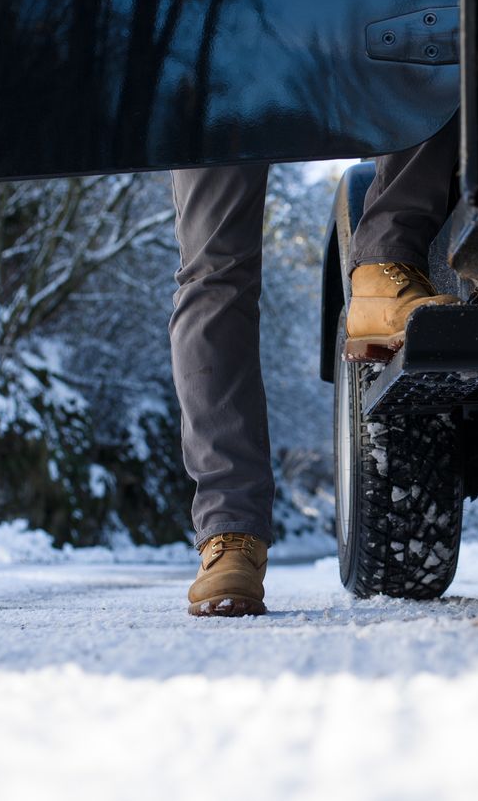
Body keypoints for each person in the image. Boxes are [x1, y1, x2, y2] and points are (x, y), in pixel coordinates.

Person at [173, 115, 459, 616]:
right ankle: (230, 535)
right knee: (214, 269)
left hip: (352, 37)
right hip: (219, 51)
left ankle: (386, 263)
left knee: (438, 53)